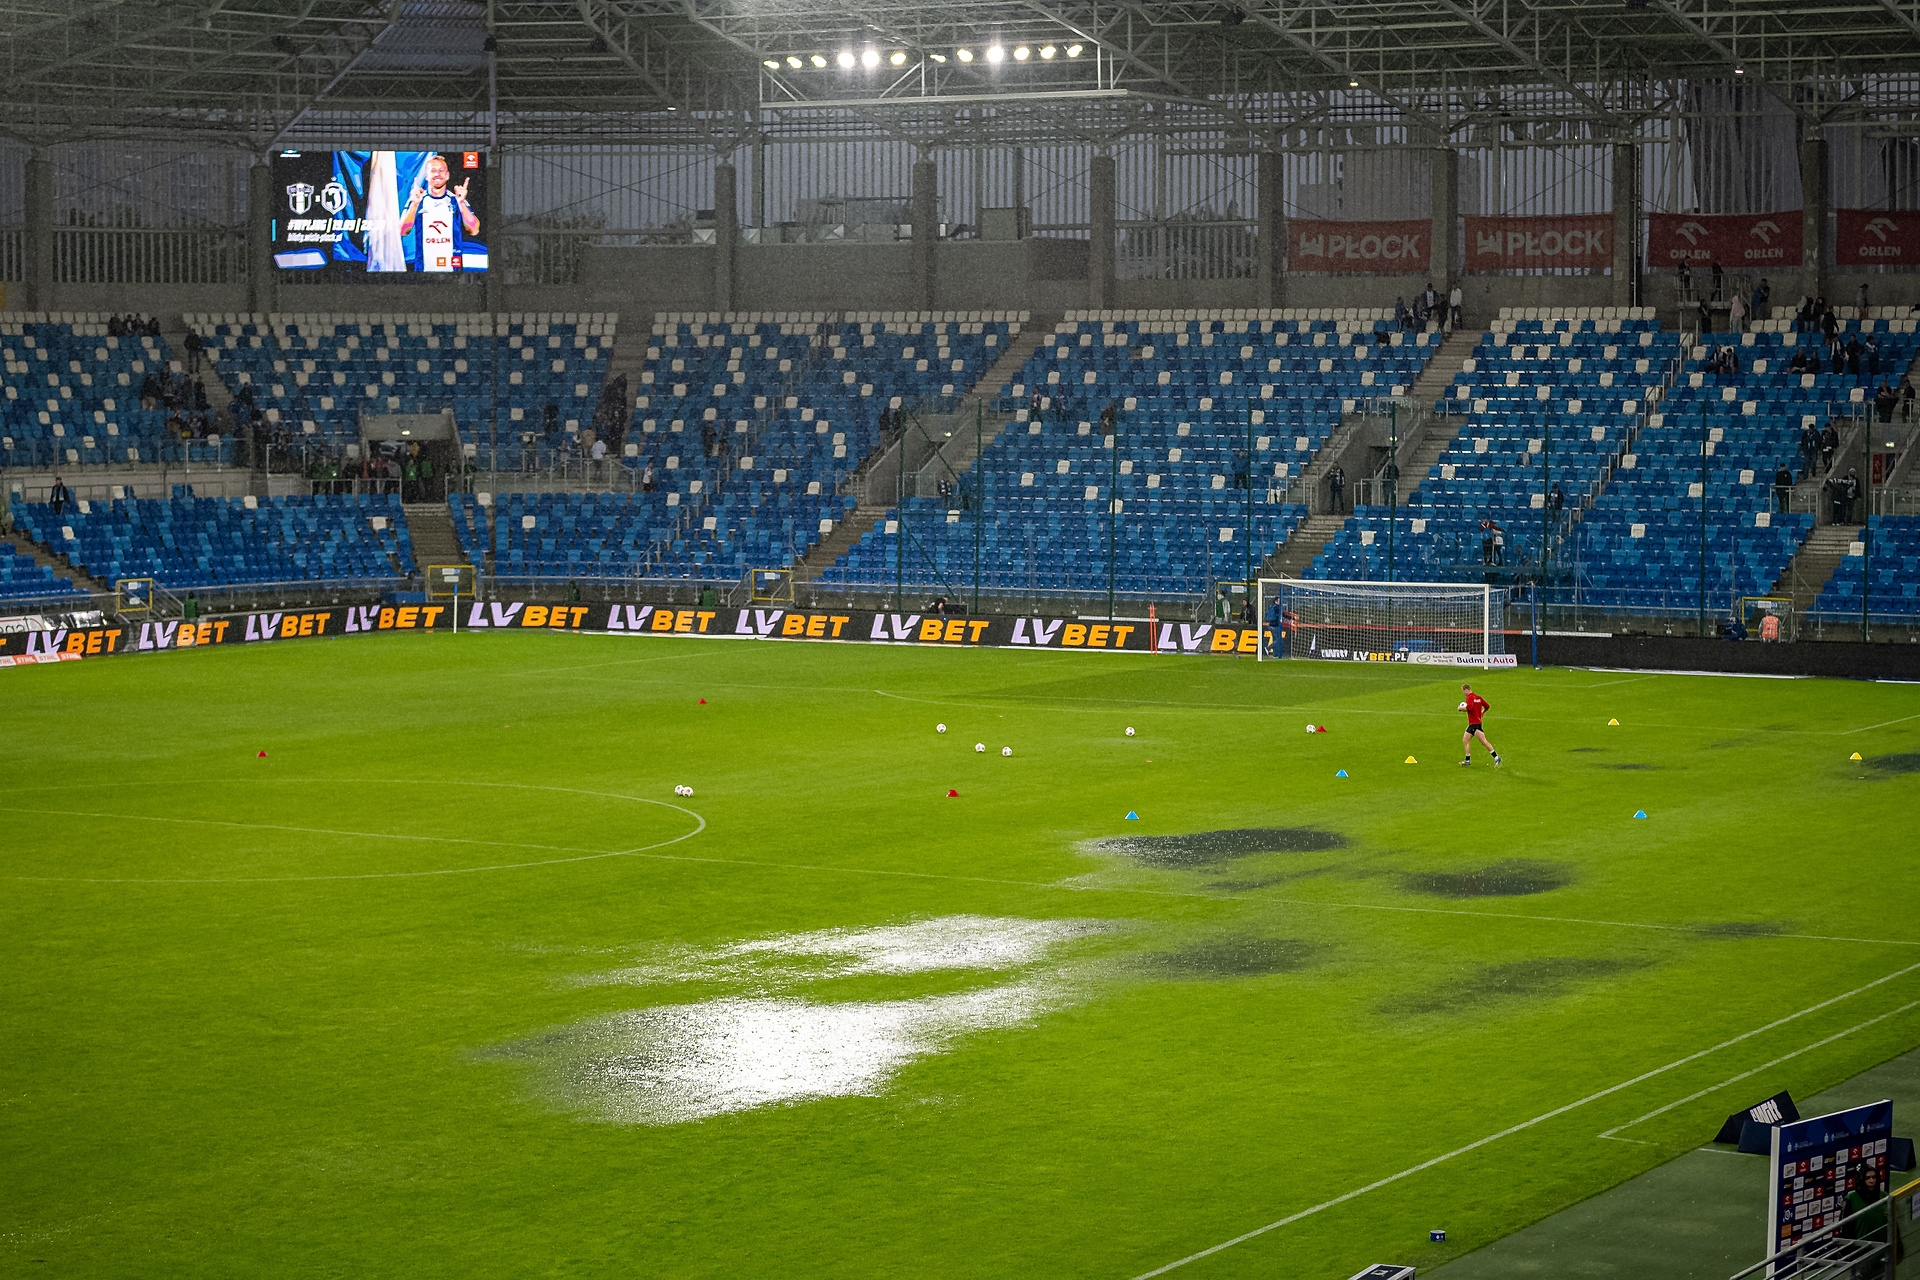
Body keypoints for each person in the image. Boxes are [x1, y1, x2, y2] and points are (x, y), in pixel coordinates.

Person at [397, 153, 481, 272]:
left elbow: (474, 229)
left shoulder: (456, 200)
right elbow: (402, 231)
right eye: (433, 170)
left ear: (447, 176)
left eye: (441, 170)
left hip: (453, 274)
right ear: (426, 176)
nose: (437, 174)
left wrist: (461, 203)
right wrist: (414, 204)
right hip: (423, 272)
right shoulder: (417, 200)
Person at [1458, 684, 1503, 768]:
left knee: (1468, 740)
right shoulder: (1478, 697)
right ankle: (1496, 757)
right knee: (1480, 741)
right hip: (1478, 723)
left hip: (1473, 724)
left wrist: (1461, 708)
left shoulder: (1469, 697)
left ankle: (1468, 760)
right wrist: (1482, 712)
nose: (1463, 693)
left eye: (1463, 691)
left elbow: (1470, 707)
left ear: (1466, 690)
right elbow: (1487, 706)